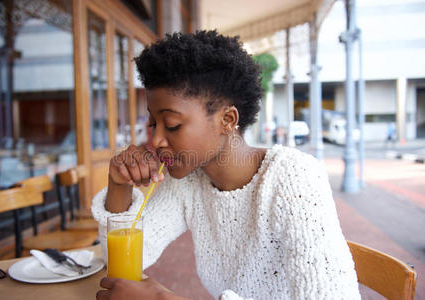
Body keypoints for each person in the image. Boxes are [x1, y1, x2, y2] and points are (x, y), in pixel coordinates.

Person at [93, 30, 360, 300]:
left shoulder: (294, 178)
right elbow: (123, 260)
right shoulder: (188, 179)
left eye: (172, 124)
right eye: (153, 123)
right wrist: (119, 184)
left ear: (228, 120)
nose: (157, 139)